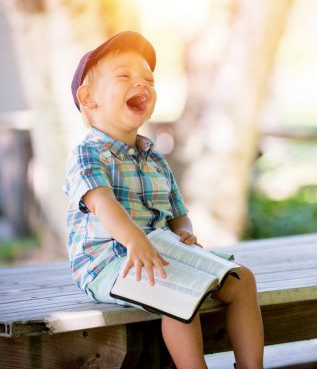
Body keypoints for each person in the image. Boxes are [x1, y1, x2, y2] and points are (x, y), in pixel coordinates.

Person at [64, 31, 264, 368]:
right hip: (109, 263)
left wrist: (184, 231)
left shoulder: (152, 154)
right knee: (178, 292)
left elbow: (177, 212)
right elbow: (103, 203)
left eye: (148, 79)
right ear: (88, 98)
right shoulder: (88, 153)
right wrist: (135, 240)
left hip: (161, 250)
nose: (141, 84)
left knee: (242, 279)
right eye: (124, 76)